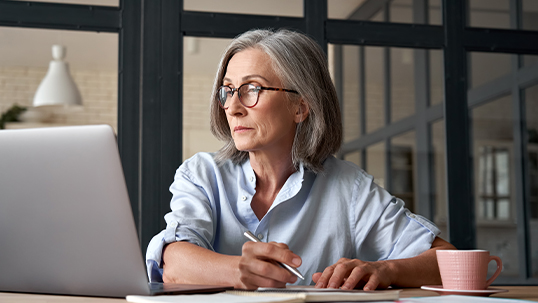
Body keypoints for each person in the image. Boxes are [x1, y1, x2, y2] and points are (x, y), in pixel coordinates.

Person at [146, 28, 455, 290]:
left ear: (300, 107)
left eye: (251, 89)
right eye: (227, 91)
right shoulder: (202, 174)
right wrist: (241, 270)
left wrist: (386, 271)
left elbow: (452, 261)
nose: (233, 107)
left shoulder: (350, 188)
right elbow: (172, 262)